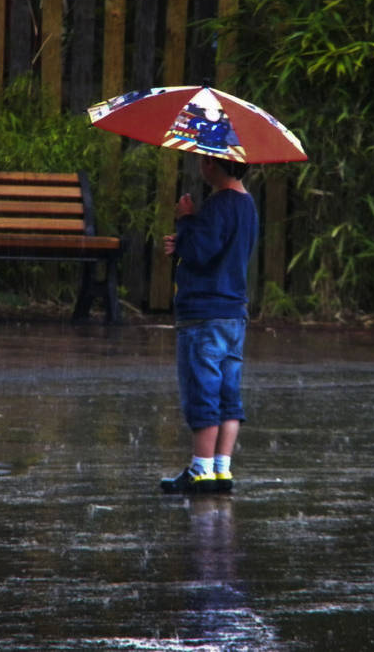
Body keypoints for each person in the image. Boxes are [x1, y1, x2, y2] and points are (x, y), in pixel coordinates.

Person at [160, 155, 258, 494]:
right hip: (233, 312)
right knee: (228, 392)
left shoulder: (218, 204)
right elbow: (220, 249)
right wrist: (184, 240)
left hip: (204, 312)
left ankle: (200, 470)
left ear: (211, 166)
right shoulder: (247, 205)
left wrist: (186, 221)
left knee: (202, 390)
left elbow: (201, 253)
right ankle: (222, 468)